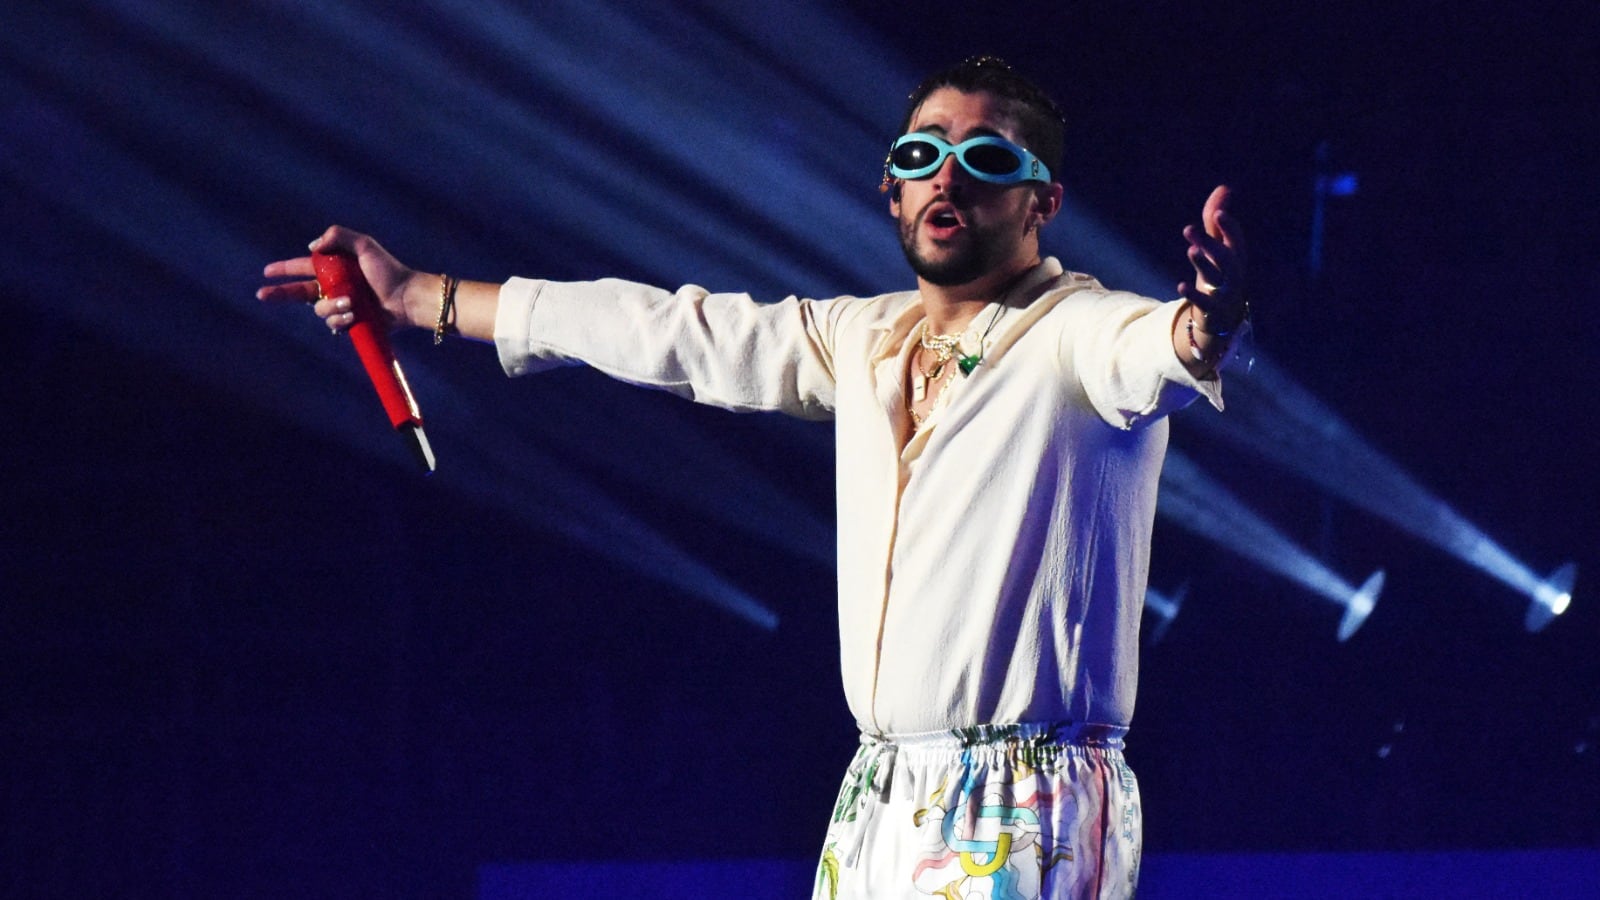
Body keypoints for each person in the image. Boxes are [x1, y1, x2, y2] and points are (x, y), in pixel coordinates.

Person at [259, 56, 1247, 900]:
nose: (947, 174)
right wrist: (419, 295)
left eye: (986, 158)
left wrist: (1211, 314)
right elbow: (666, 332)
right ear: (891, 189)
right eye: (921, 154)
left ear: (1041, 202)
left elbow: (1161, 346)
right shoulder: (862, 339)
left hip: (1026, 804)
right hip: (881, 791)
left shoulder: (1075, 334)